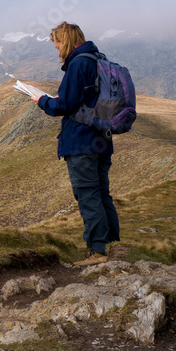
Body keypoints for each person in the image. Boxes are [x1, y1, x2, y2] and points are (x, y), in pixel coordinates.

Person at [30, 22, 120, 266]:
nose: (57, 48)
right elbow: (84, 99)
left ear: (65, 41)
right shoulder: (98, 60)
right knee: (102, 193)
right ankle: (112, 246)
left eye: (57, 43)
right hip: (102, 139)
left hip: (82, 142)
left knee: (87, 195)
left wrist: (42, 101)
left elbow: (65, 106)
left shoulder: (78, 64)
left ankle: (98, 253)